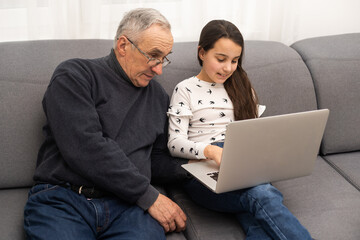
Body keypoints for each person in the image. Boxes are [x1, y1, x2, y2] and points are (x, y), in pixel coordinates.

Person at [24, 8, 189, 240]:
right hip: (65, 200)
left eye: (164, 58)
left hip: (128, 207)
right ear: (123, 46)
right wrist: (147, 195)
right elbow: (85, 146)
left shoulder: (158, 96)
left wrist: (198, 167)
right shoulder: (74, 75)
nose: (159, 69)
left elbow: (157, 161)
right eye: (153, 56)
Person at [167, 20, 313, 240]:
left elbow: (255, 132)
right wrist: (211, 151)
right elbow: (174, 143)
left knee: (256, 209)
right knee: (262, 194)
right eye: (221, 59)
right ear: (202, 52)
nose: (228, 68)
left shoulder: (242, 85)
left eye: (235, 61)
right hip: (204, 171)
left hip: (244, 164)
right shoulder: (185, 89)